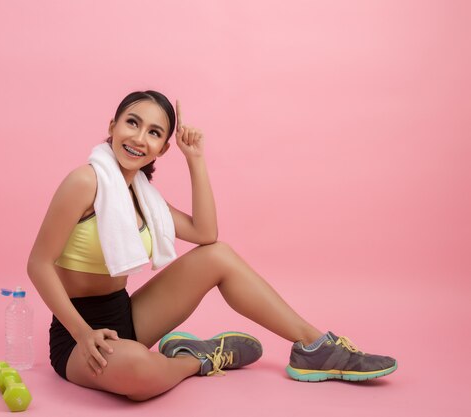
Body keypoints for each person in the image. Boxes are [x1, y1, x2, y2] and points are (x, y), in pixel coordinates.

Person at [27, 90, 397, 401]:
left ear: (162, 148)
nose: (140, 138)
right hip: (77, 335)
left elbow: (206, 235)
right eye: (133, 122)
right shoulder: (83, 182)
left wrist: (196, 160)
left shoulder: (141, 197)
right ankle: (197, 358)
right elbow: (38, 265)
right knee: (139, 374)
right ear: (112, 127)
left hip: (125, 316)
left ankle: (314, 346)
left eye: (154, 132)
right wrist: (82, 332)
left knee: (218, 256)